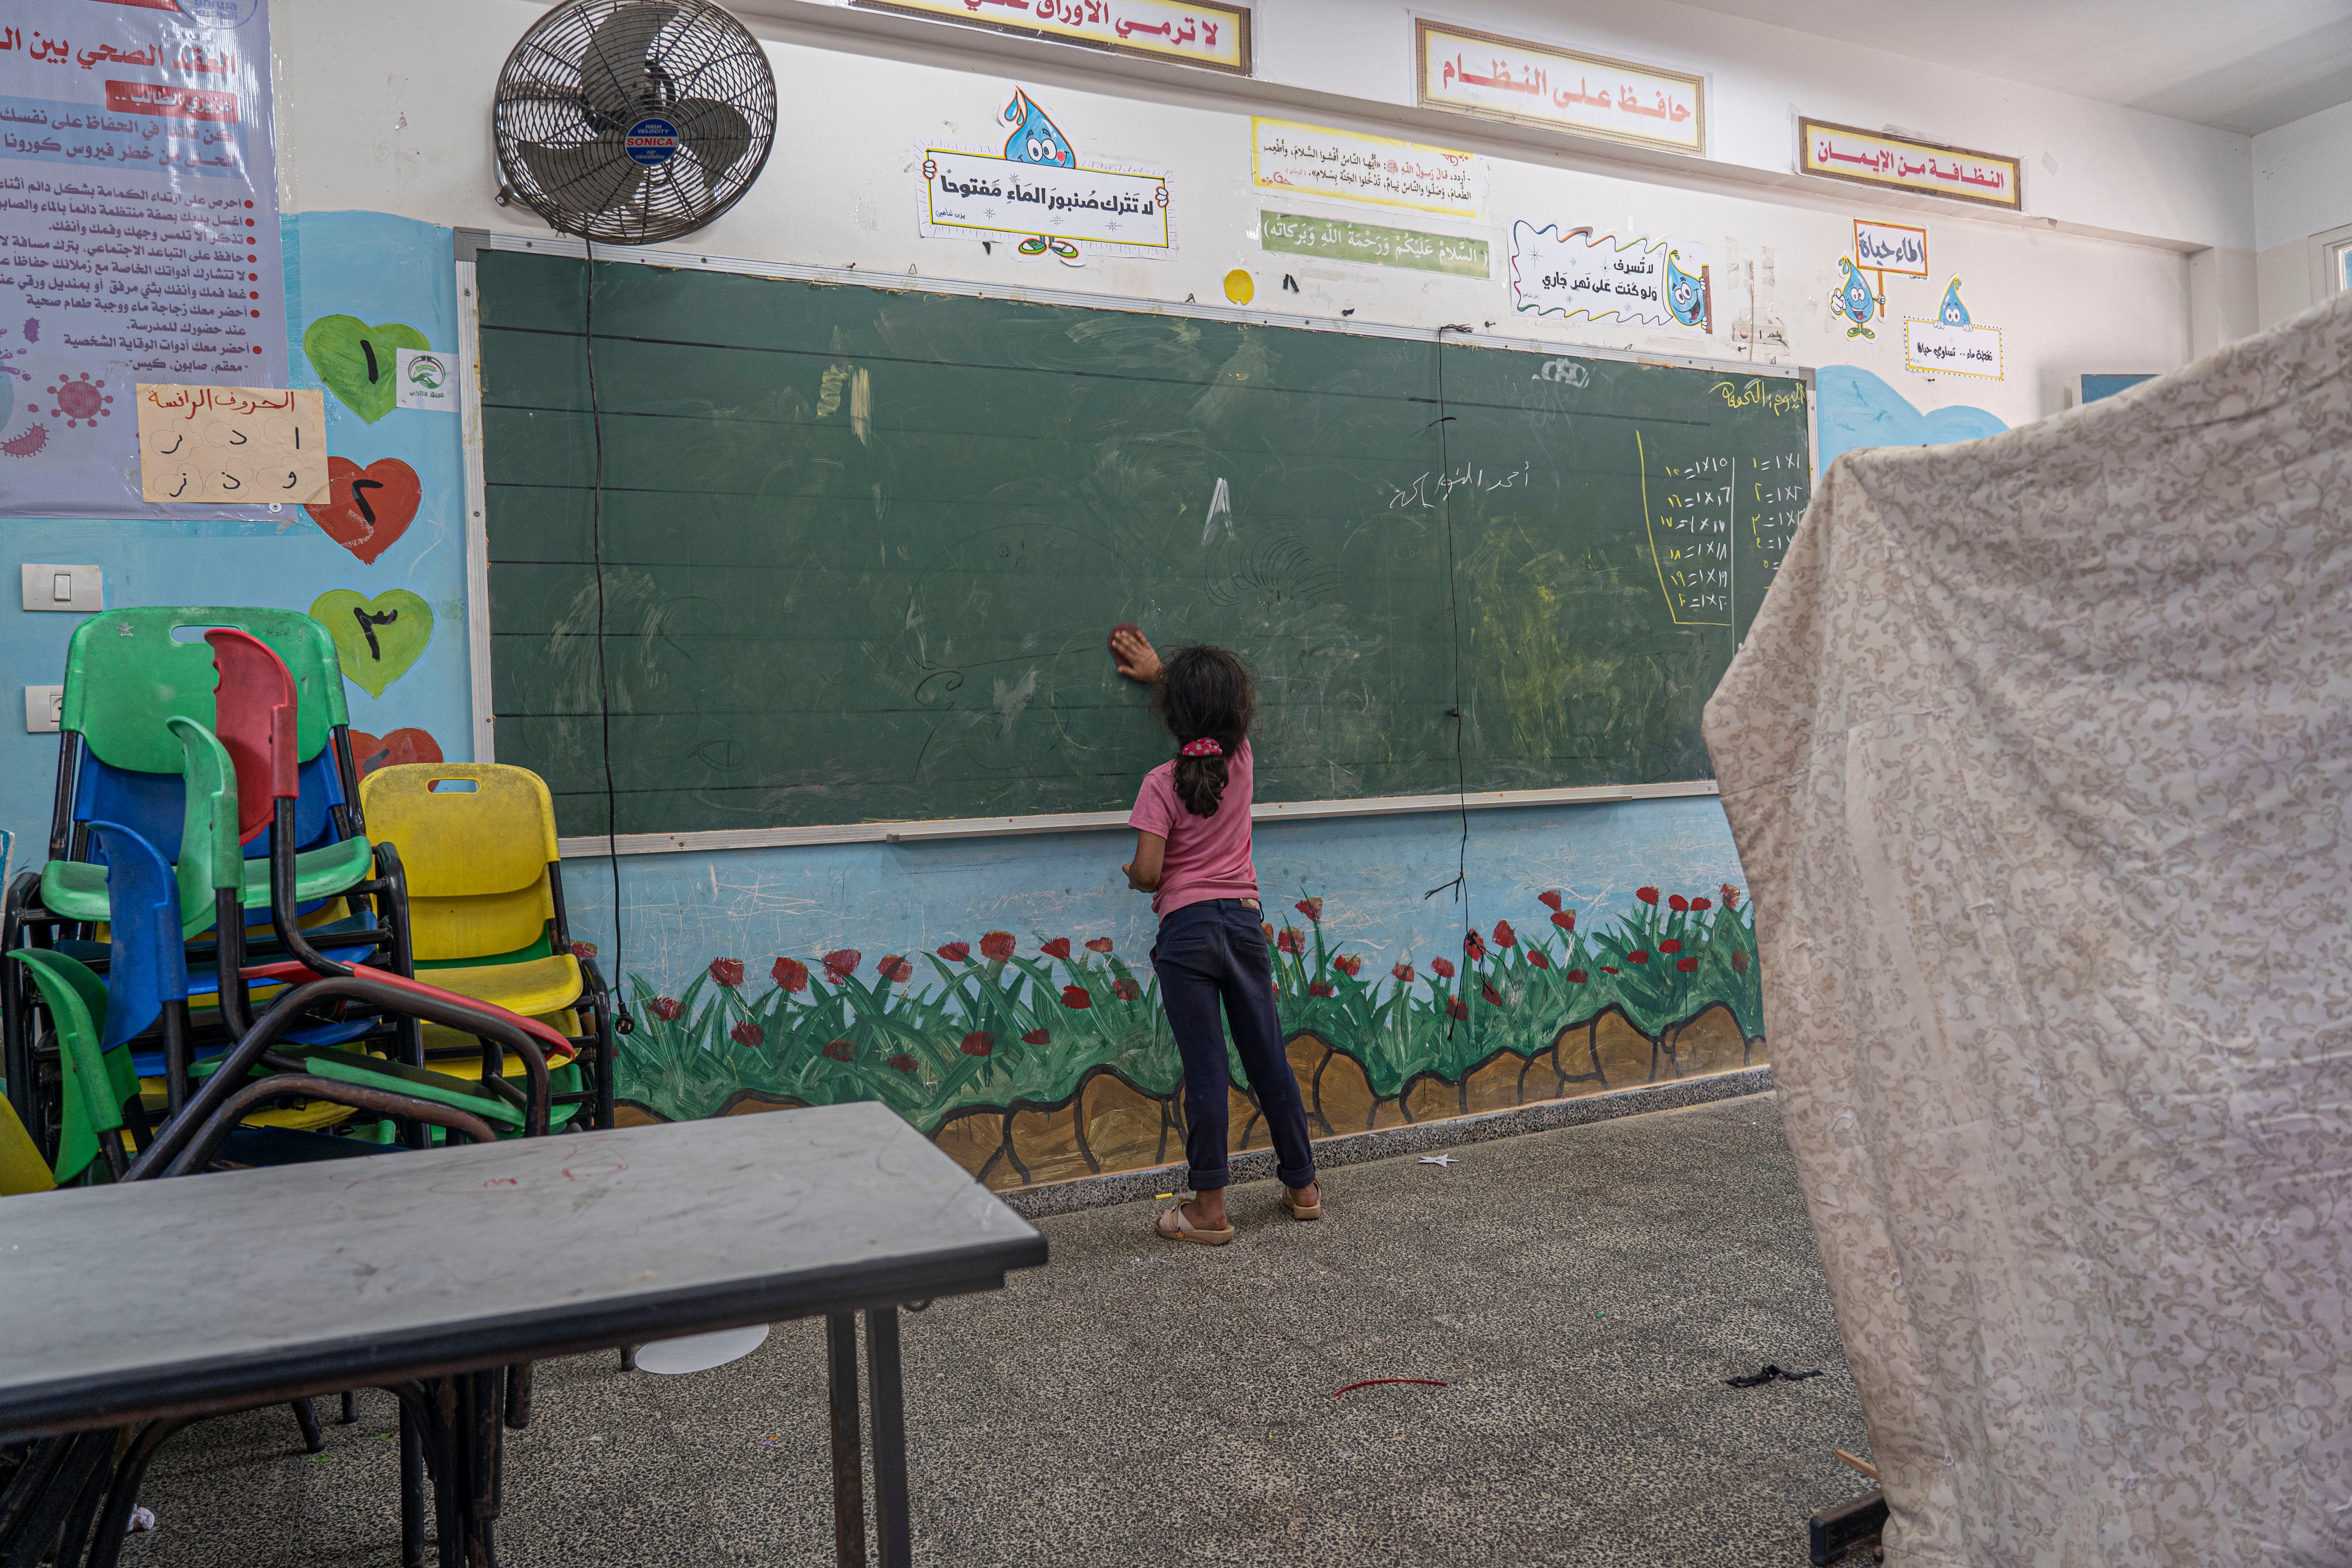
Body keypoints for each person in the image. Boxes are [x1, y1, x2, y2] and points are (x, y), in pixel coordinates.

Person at [1112, 624, 1321, 1244]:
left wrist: (1133, 876)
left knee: (1207, 1069)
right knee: (1268, 1057)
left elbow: (1150, 873)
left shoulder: (1160, 784)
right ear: (1238, 714)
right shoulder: (1243, 762)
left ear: (1171, 715)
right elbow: (1210, 710)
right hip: (1243, 920)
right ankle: (1303, 1186)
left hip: (1187, 932)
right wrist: (1165, 676)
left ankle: (1209, 1210)